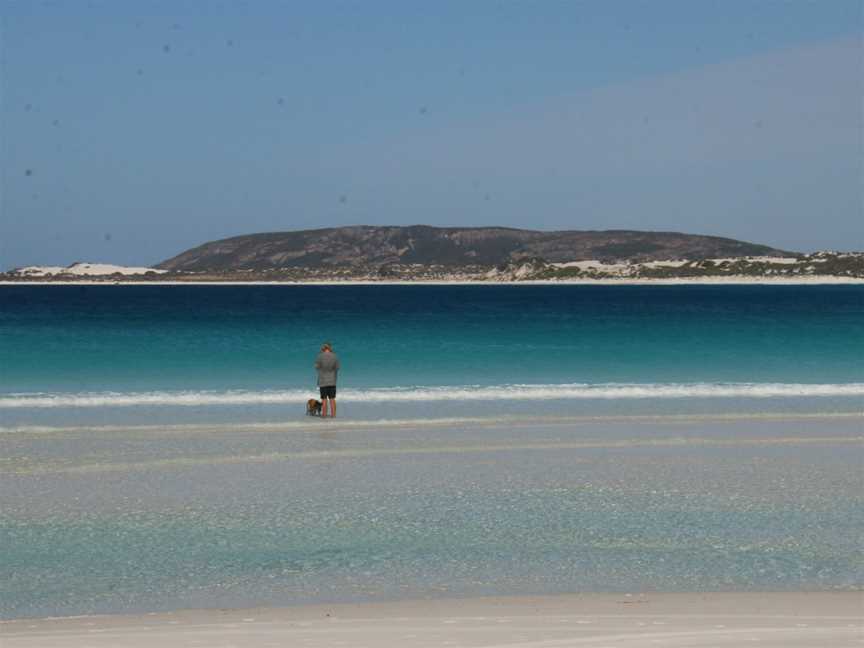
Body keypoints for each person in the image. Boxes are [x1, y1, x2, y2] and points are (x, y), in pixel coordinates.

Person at [314, 342, 340, 417]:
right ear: (330, 348)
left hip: (323, 381)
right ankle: (333, 416)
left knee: (324, 400)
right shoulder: (335, 356)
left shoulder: (319, 356)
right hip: (332, 381)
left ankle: (324, 416)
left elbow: (316, 367)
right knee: (332, 399)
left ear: (323, 348)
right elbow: (337, 368)